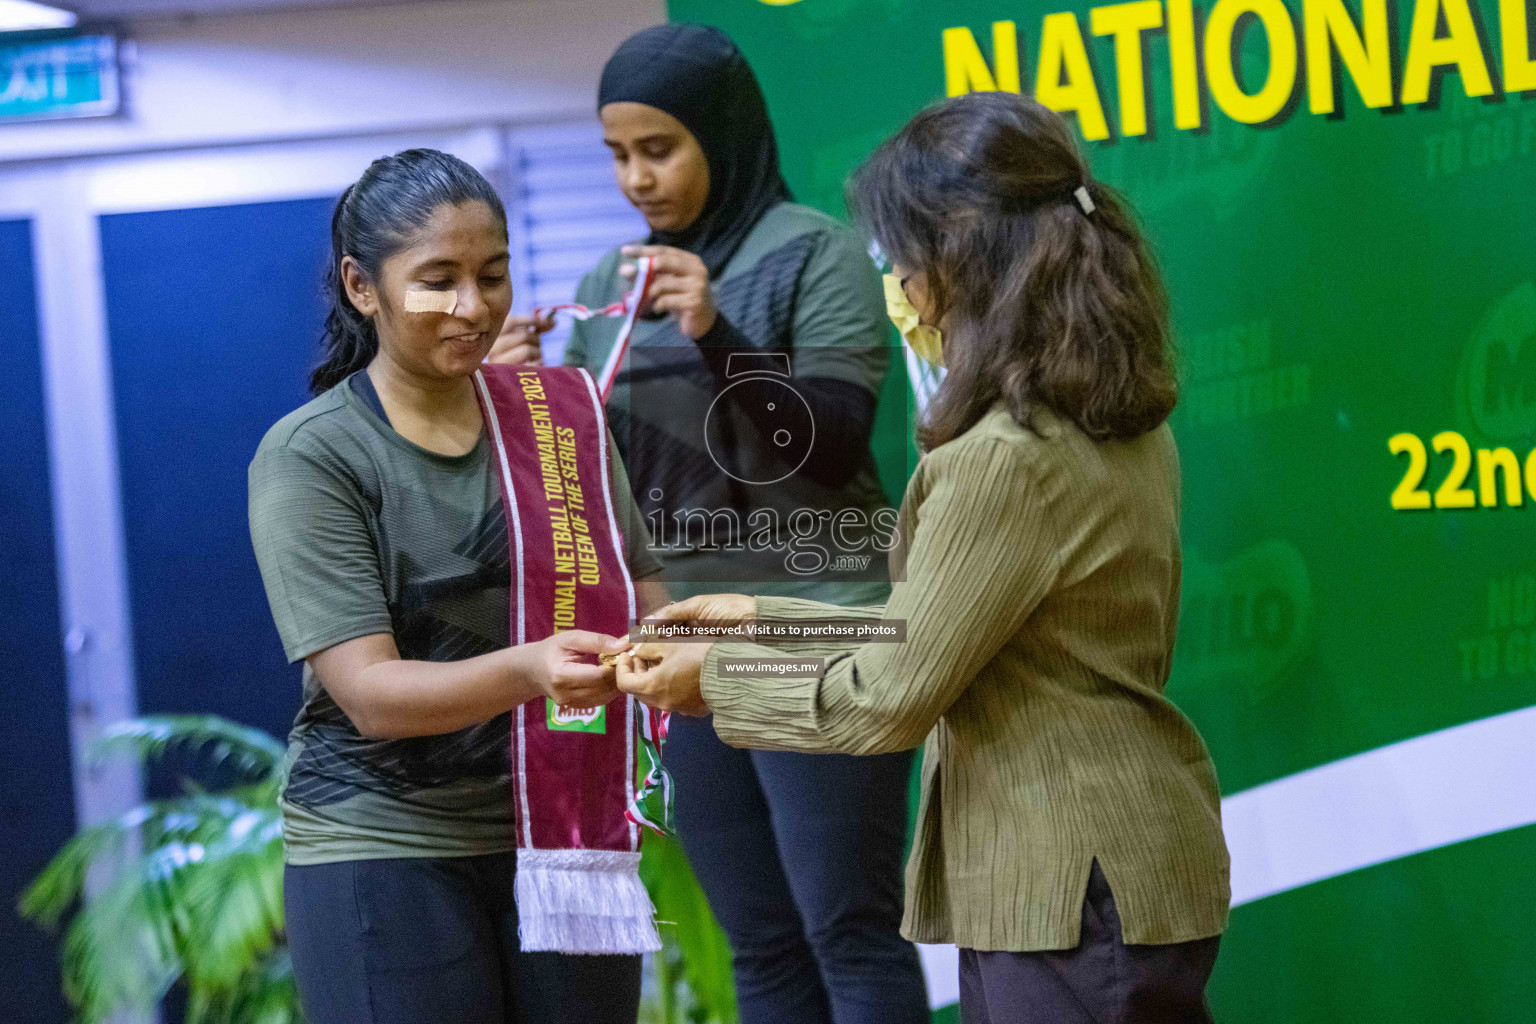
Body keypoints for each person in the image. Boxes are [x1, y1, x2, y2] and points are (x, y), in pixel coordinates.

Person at [615, 92, 1233, 1024]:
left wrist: (717, 680)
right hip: (1102, 867)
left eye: (901, 258)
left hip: (1071, 879)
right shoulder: (1109, 417)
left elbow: (893, 692)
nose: (898, 285)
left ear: (961, 256)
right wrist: (762, 618)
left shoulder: (1003, 458)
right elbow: (936, 633)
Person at [490, 23, 930, 1024]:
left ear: (722, 137)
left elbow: (829, 445)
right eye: (617, 155)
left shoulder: (812, 250)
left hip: (817, 623)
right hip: (680, 634)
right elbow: (592, 490)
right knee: (762, 948)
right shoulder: (614, 280)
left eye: (660, 149)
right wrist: (527, 402)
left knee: (848, 930)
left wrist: (715, 331)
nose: (637, 179)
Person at [248, 148, 668, 1024]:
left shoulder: (560, 418)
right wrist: (531, 669)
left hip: (562, 838)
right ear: (363, 287)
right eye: (438, 280)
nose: (473, 308)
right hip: (381, 842)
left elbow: (644, 595)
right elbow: (369, 693)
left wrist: (698, 649)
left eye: (494, 276)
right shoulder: (315, 454)